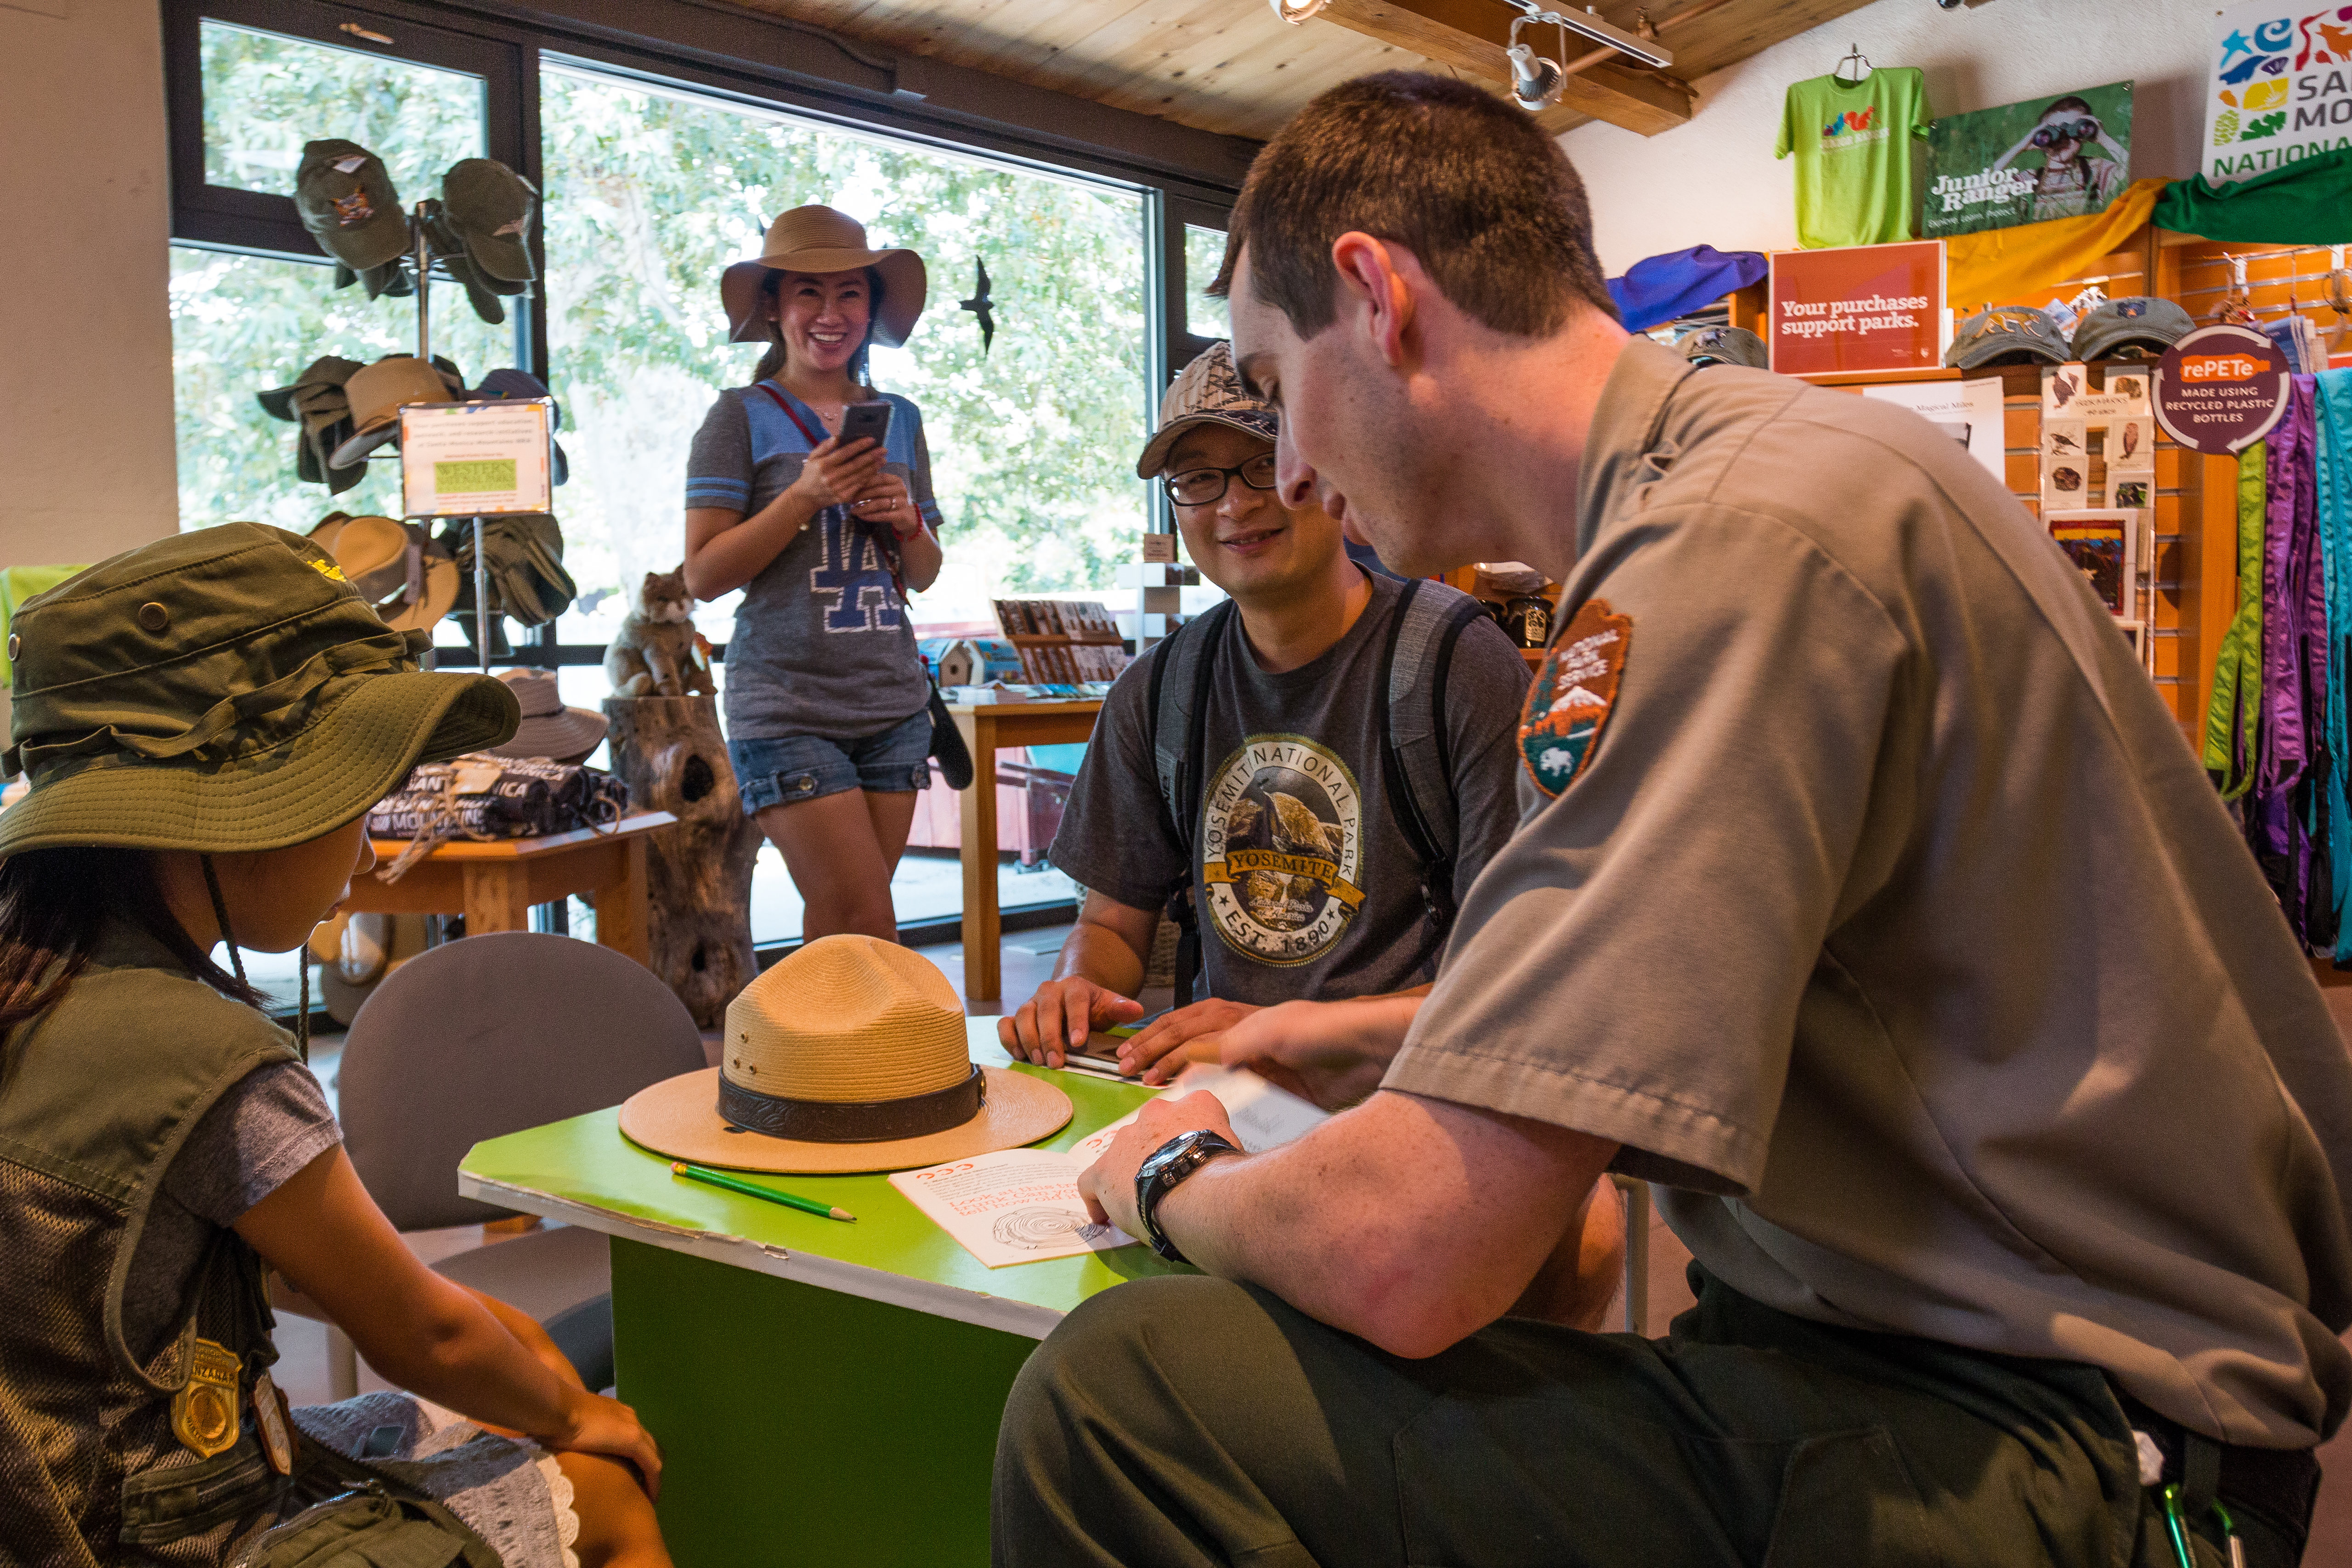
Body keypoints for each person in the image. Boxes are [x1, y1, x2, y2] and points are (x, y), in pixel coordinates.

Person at [991, 72, 2352, 1568]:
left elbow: (1416, 1248)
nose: (1290, 469)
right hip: (1952, 1370)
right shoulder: (1760, 489)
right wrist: (1321, 1038)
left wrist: (1174, 1168)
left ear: (1378, 299)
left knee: (1129, 1396)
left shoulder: (1724, 550)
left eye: (1277, 379)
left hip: (2061, 1443)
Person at [0, 523, 668, 1567]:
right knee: (604, 1495)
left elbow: (331, 1279)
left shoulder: (32, 982)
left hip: (56, 1500)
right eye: (352, 790)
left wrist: (524, 1367)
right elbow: (427, 1335)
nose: (365, 838)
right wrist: (576, 1418)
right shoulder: (207, 1061)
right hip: (153, 1531)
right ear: (226, 811)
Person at [998, 342, 1531, 1089]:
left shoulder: (1455, 665)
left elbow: (1522, 980)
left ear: (1331, 468)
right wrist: (1079, 988)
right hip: (1226, 1100)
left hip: (1419, 1095)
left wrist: (1285, 1033)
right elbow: (1113, 924)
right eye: (1197, 480)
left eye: (1265, 463)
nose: (1235, 503)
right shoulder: (1160, 690)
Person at [684, 204, 945, 943]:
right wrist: (805, 494)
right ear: (773, 307)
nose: (830, 314)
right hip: (787, 708)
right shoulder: (738, 417)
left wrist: (906, 521)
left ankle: (808, 1056)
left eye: (850, 294)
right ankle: (890, 1059)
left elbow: (923, 574)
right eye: (808, 292)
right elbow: (703, 575)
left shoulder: (901, 417)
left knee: (845, 929)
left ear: (872, 307)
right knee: (868, 919)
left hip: (893, 707)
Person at [1995, 95, 2128, 224]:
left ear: (2085, 134)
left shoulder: (2097, 170)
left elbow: (2133, 174)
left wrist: (2103, 138)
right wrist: (2022, 145)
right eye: (2053, 132)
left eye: (2074, 129)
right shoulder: (2030, 180)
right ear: (2040, 137)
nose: (2063, 139)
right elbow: (1982, 190)